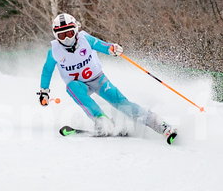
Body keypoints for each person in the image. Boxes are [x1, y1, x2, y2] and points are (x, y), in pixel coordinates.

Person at [37, 13, 177, 143]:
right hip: (79, 85)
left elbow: (102, 46)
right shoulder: (54, 51)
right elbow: (47, 71)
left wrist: (113, 49)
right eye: (62, 35)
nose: (67, 38)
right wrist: (44, 92)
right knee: (71, 87)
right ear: (56, 36)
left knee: (123, 104)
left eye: (70, 33)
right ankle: (101, 120)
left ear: (76, 30)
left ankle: (160, 125)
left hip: (98, 80)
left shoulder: (85, 39)